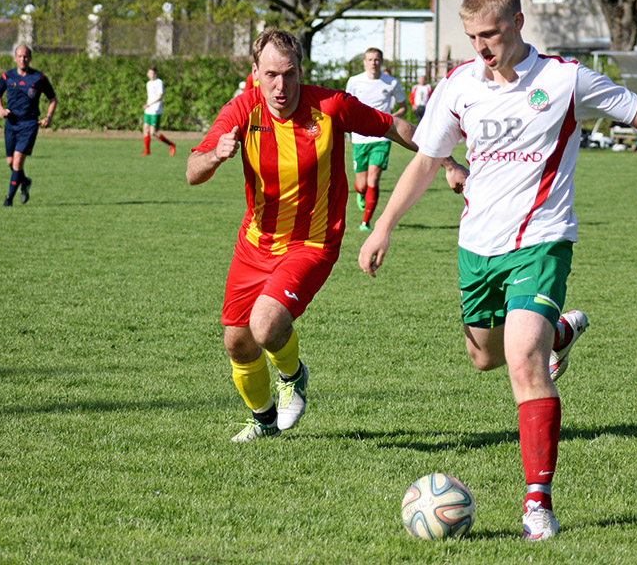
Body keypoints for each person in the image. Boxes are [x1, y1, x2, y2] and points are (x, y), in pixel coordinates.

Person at [358, 0, 637, 541]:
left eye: (490, 34)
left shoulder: (564, 79)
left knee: (523, 363)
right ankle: (558, 333)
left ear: (517, 23)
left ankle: (538, 503)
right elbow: (426, 161)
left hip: (542, 241)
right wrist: (384, 225)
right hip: (476, 247)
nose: (480, 47)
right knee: (483, 357)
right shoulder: (459, 85)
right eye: (471, 37)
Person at [187, 29, 438, 443]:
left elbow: (394, 126)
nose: (280, 86)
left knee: (266, 326)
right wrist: (216, 155)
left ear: (301, 71)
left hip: (312, 242)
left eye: (289, 74)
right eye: (270, 75)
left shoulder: (329, 106)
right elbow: (192, 170)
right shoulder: (242, 109)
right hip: (255, 243)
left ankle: (293, 376)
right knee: (237, 342)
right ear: (255, 72)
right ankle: (263, 419)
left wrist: (447, 162)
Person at [345, 48, 407, 231]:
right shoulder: (354, 81)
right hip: (359, 138)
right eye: (370, 59)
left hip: (382, 137)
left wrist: (392, 118)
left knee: (374, 178)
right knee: (362, 184)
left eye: (377, 59)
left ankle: (366, 222)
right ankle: (360, 191)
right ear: (365, 62)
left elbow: (403, 106)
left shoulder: (391, 82)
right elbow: (346, 104)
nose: (373, 63)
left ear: (381, 62)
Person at [0, 45, 57, 207]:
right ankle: (25, 182)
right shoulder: (7, 76)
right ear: (15, 58)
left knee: (17, 162)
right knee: (10, 162)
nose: (23, 59)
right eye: (20, 56)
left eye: (26, 56)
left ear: (30, 58)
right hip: (11, 123)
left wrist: (48, 117)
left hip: (29, 124)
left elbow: (53, 99)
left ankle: (9, 199)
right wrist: (1, 109)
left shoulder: (38, 78)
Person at [141, 66, 176, 156]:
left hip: (155, 110)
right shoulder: (148, 83)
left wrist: (150, 104)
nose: (152, 75)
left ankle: (171, 144)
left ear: (156, 74)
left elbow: (160, 97)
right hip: (148, 109)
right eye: (150, 73)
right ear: (147, 74)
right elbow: (149, 96)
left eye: (153, 73)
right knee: (145, 128)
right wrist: (147, 104)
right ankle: (147, 151)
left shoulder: (159, 82)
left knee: (153, 132)